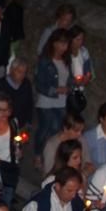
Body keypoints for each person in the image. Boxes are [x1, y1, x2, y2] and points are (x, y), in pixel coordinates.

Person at [34, 27, 71, 157]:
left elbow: (68, 79)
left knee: (57, 129)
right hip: (46, 101)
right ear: (54, 43)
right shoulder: (45, 61)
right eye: (62, 43)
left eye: (66, 44)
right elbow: (39, 83)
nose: (64, 47)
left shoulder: (67, 61)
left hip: (62, 101)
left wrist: (70, 87)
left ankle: (50, 154)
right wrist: (56, 90)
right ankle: (39, 154)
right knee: (46, 129)